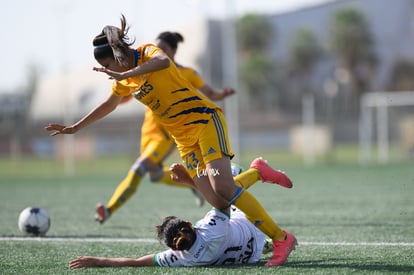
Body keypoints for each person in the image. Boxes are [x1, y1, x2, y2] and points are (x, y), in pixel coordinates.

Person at [45, 15, 296, 266]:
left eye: (112, 65)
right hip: (184, 140)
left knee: (224, 189)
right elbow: (108, 105)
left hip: (205, 121)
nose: (115, 72)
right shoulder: (126, 80)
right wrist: (75, 127)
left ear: (118, 55)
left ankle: (281, 238)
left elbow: (163, 61)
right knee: (218, 201)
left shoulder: (145, 53)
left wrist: (129, 72)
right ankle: (257, 172)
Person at [94, 31, 236, 224]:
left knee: (138, 170)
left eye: (164, 47)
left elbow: (210, 93)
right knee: (156, 175)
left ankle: (108, 209)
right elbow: (122, 97)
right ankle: (193, 183)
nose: (160, 49)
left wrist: (222, 93)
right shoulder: (142, 68)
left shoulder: (185, 73)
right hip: (148, 134)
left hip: (167, 135)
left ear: (174, 51)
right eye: (157, 45)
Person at [68, 164, 284, 269]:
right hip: (251, 225)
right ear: (189, 224)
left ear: (173, 248)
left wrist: (97, 261)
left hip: (251, 254)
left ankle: (265, 244)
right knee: (227, 181)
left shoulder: (184, 258)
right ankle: (258, 171)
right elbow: (221, 201)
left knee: (225, 203)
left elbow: (134, 262)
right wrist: (188, 180)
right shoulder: (210, 228)